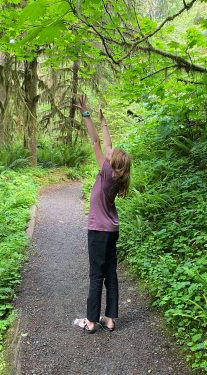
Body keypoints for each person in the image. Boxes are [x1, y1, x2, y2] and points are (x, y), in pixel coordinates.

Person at [72, 95, 131, 334]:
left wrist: (86, 116)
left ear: (111, 163)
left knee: (96, 275)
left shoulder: (106, 173)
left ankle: (90, 321)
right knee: (110, 273)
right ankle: (109, 319)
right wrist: (104, 121)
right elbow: (107, 145)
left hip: (97, 230)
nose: (108, 154)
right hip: (112, 230)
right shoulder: (119, 176)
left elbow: (96, 143)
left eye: (111, 155)